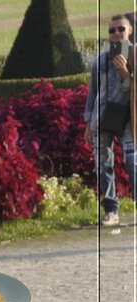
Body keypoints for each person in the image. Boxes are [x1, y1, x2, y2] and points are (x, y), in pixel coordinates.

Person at [86, 12, 134, 228]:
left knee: (132, 161)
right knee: (103, 163)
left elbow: (133, 90)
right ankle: (111, 210)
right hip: (102, 117)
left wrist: (125, 72)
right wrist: (88, 124)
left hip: (129, 118)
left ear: (130, 31)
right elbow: (92, 94)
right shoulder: (99, 61)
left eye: (121, 29)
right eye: (112, 30)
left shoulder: (134, 55)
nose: (116, 34)